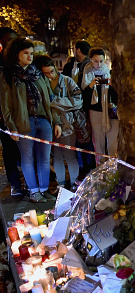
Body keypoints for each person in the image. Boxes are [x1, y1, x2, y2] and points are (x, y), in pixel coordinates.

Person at [0, 37, 61, 203]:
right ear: (16, 54)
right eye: (25, 53)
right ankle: (34, 191)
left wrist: (56, 122)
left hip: (43, 120)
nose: (29, 56)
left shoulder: (37, 73)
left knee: (44, 158)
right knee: (28, 158)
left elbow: (50, 100)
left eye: (31, 53)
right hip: (24, 122)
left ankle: (43, 189)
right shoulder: (9, 75)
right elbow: (6, 105)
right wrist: (12, 126)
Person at [35, 55, 86, 191]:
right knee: (56, 155)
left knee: (70, 154)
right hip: (50, 124)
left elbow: (78, 100)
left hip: (68, 124)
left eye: (52, 71)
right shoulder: (41, 83)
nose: (50, 75)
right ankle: (61, 184)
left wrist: (56, 102)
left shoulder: (67, 81)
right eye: (46, 73)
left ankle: (74, 182)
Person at [81, 47, 119, 160]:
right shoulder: (86, 73)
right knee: (99, 143)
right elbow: (84, 97)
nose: (99, 64)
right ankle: (100, 169)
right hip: (95, 112)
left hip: (111, 112)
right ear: (91, 60)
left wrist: (112, 86)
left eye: (101, 61)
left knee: (113, 143)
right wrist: (90, 86)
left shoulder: (109, 72)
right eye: (95, 61)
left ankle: (113, 170)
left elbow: (116, 97)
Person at [0, 27, 25, 197]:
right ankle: (15, 183)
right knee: (9, 149)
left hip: (24, 115)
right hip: (4, 115)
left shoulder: (22, 62)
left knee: (25, 150)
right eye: (7, 40)